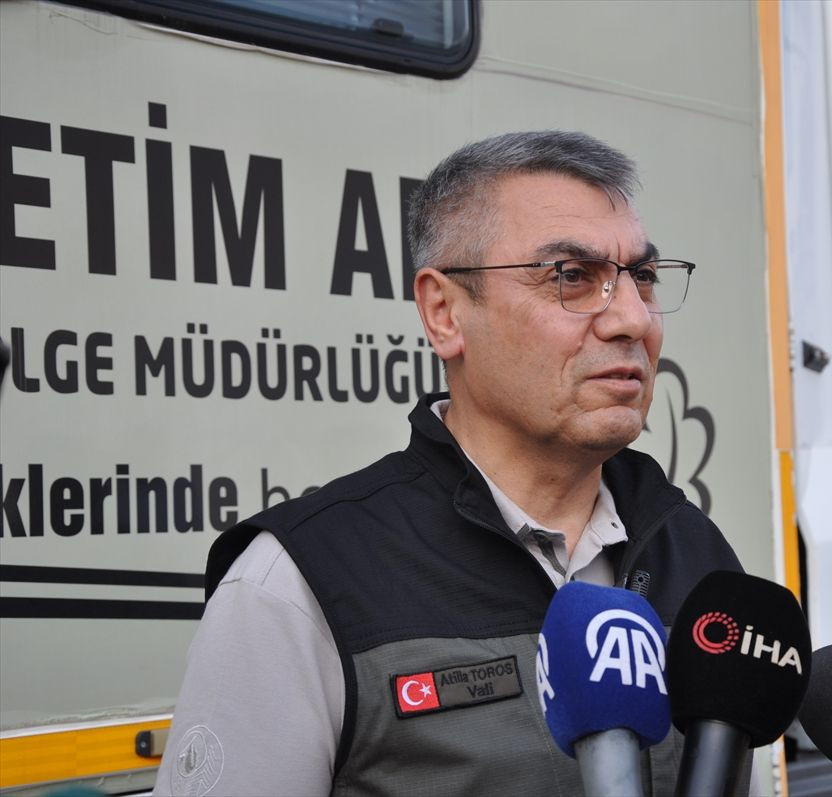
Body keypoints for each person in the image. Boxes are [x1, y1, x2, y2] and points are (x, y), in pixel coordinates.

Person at [154, 130, 743, 796]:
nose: (633, 319)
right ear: (443, 313)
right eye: (571, 277)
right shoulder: (298, 585)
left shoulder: (696, 554)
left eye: (642, 277)